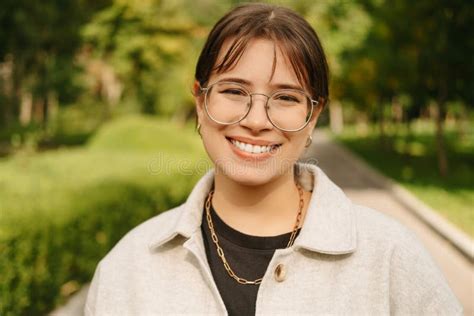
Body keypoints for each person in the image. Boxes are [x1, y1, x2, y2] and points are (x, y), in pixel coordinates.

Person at [85, 3, 462, 315]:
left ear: (314, 115)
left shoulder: (389, 257)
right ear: (200, 102)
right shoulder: (129, 267)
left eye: (285, 98)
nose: (255, 120)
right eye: (234, 90)